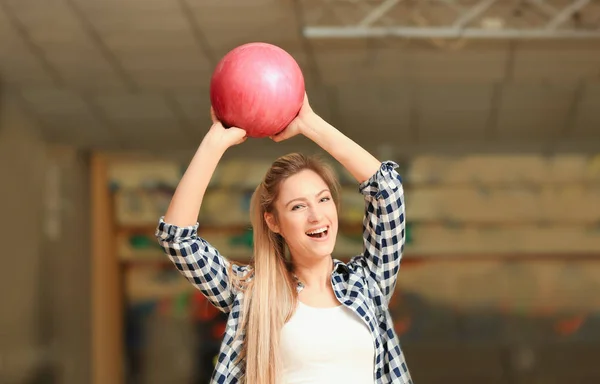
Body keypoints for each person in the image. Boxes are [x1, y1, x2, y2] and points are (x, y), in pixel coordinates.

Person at [155, 94, 413, 384]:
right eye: (298, 206)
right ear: (273, 221)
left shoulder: (368, 284)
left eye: (323, 199)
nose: (316, 215)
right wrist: (215, 143)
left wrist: (309, 123)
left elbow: (387, 190)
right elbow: (177, 239)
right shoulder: (254, 293)